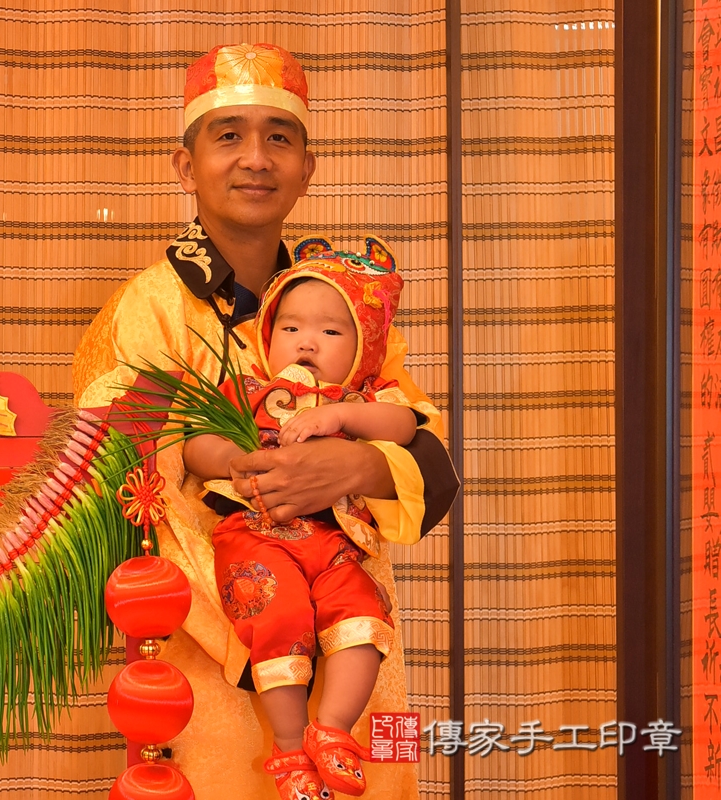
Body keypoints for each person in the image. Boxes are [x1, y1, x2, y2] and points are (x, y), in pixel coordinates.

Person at [73, 43, 458, 800]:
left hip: (354, 639)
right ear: (185, 166)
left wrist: (359, 467)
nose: (255, 158)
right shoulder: (144, 310)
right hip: (208, 646)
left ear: (307, 167)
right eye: (228, 136)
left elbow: (428, 453)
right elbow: (105, 460)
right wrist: (222, 461)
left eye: (278, 137)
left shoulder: (346, 306)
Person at [182, 242, 438, 799]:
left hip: (339, 540)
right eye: (290, 328)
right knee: (279, 614)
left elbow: (403, 427)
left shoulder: (366, 396)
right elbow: (195, 441)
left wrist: (343, 413)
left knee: (364, 616)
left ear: (364, 352)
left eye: (330, 332)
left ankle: (335, 733)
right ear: (266, 340)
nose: (306, 342)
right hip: (258, 537)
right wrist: (230, 462)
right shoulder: (249, 390)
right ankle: (291, 748)